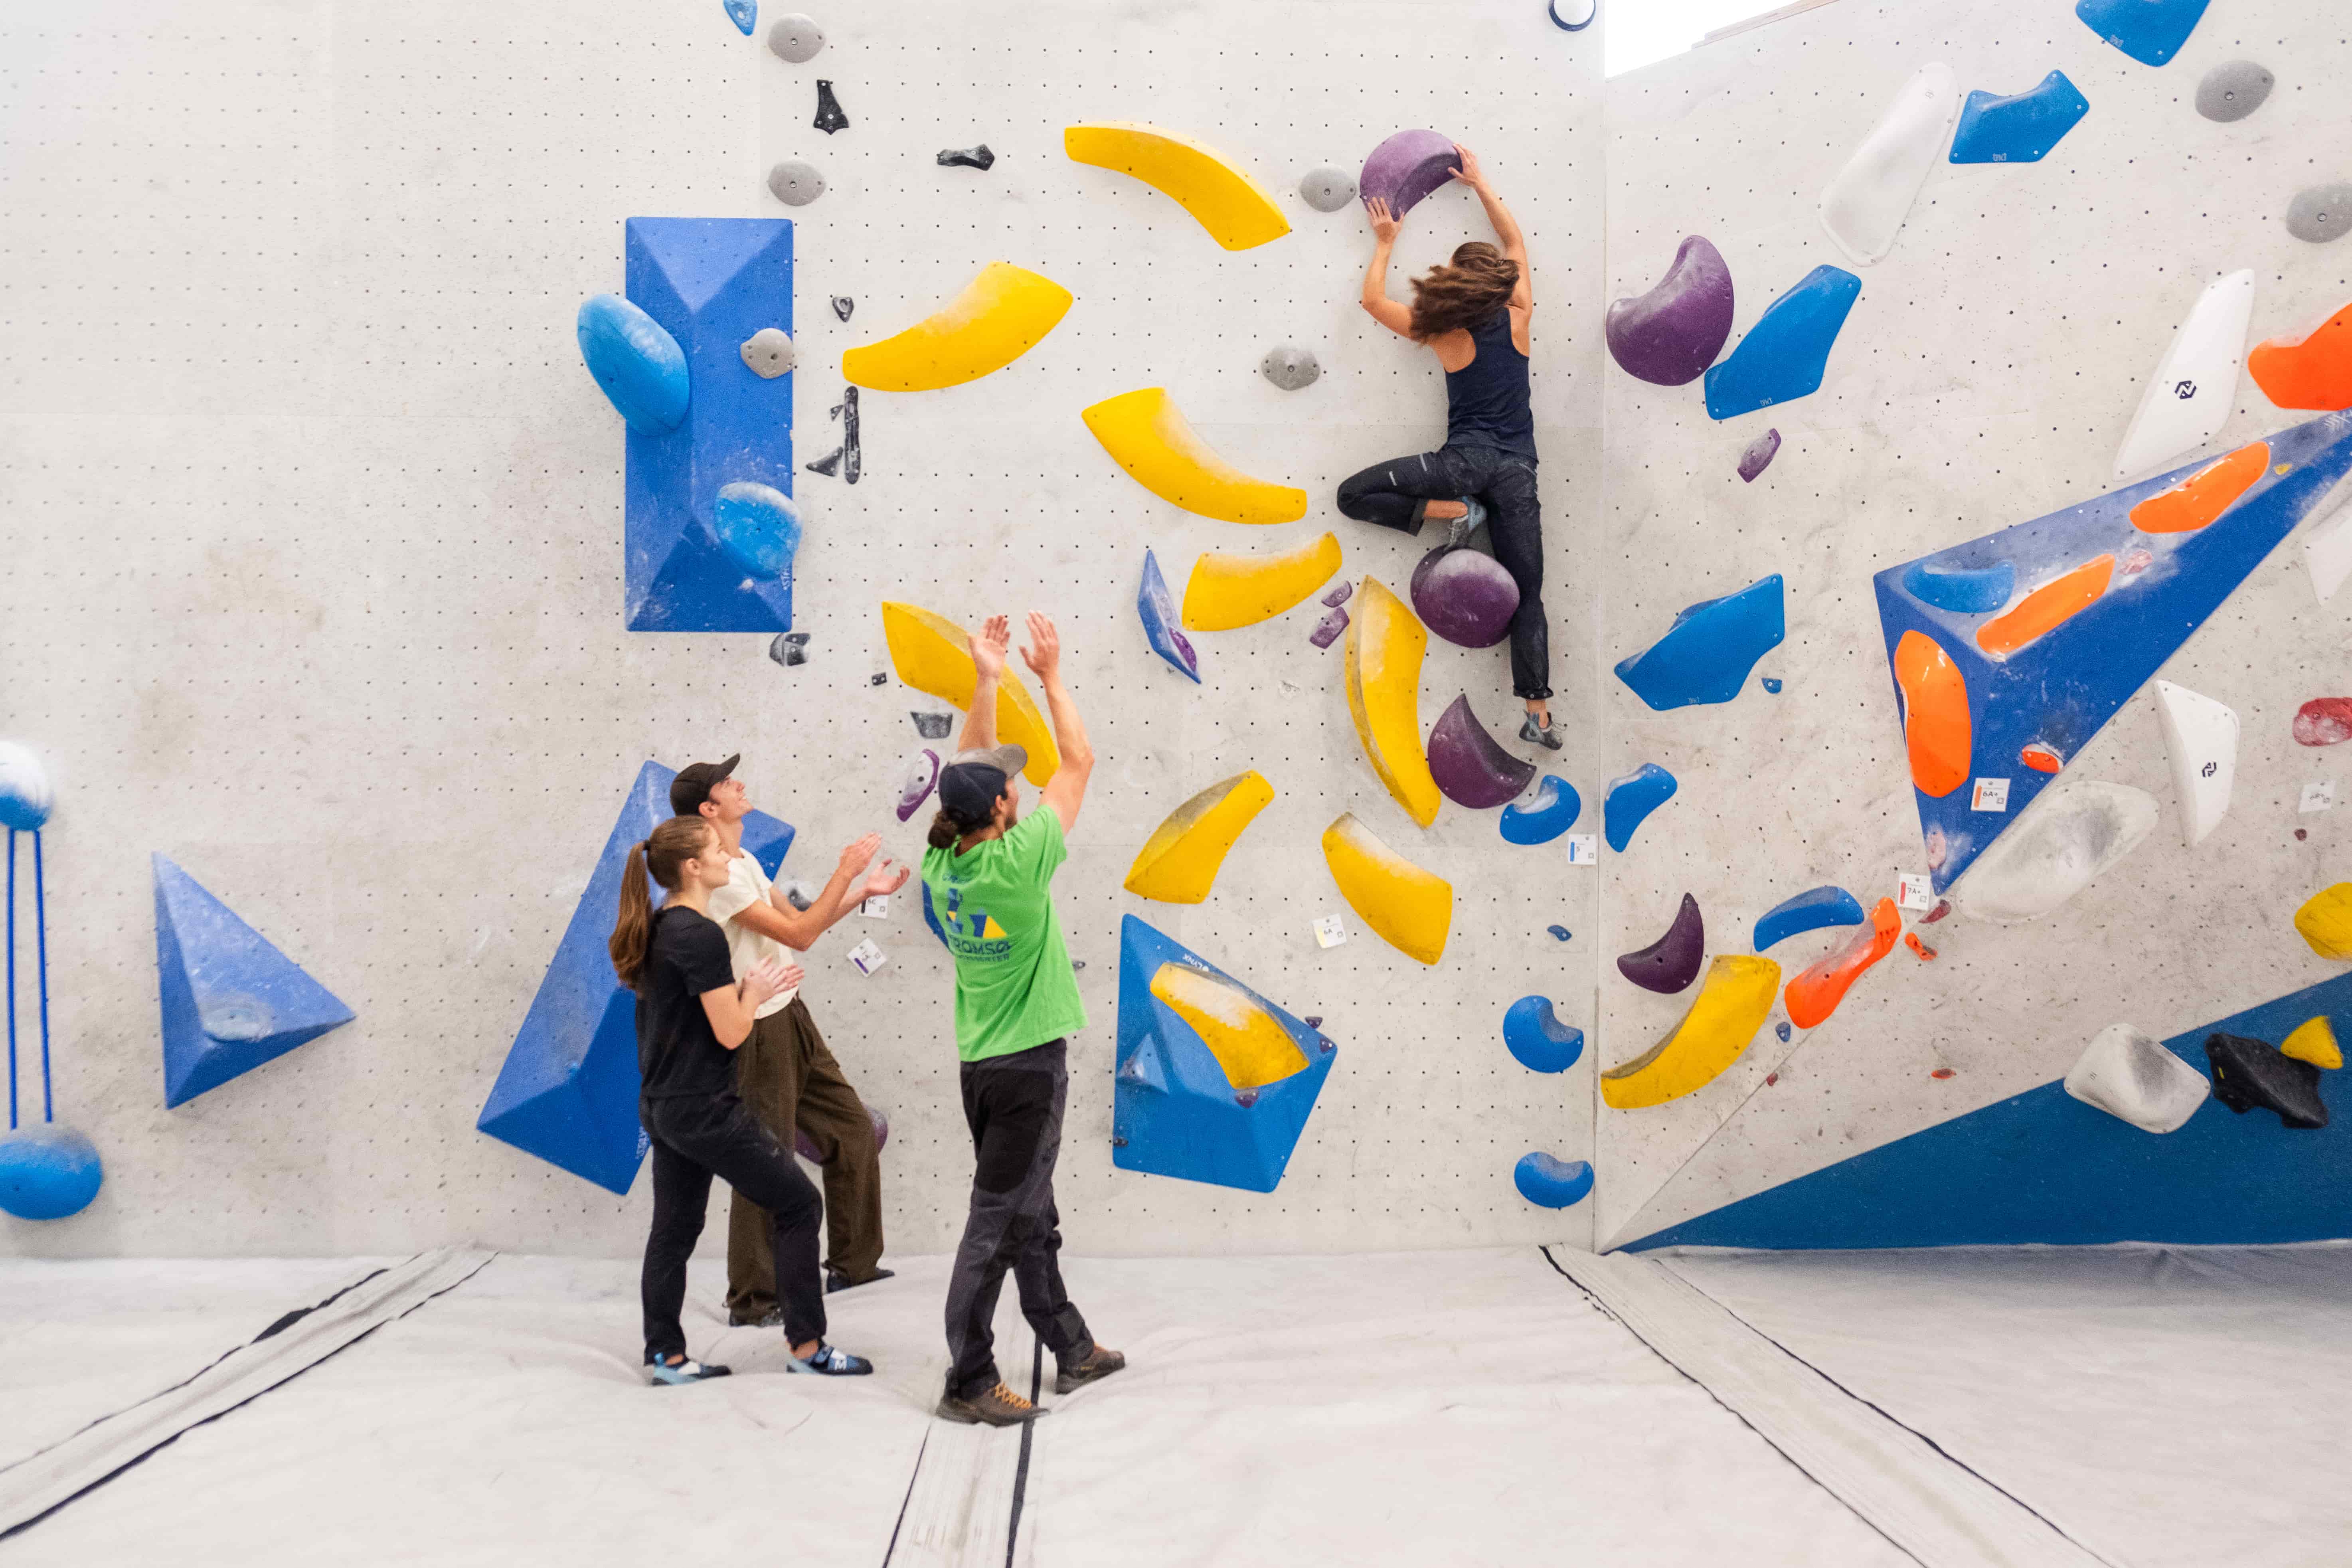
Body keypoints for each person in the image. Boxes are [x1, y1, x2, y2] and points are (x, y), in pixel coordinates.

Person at [918, 613, 1124, 1426]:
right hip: (1029, 1072)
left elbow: (969, 771)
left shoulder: (942, 862)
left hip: (981, 1067)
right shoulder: (1017, 864)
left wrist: (985, 680)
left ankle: (1071, 1348)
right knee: (997, 1227)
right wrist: (1049, 677)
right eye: (1009, 787)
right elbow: (1079, 761)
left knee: (1032, 1212)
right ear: (1005, 808)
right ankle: (968, 1379)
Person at [612, 813, 873, 1385]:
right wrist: (753, 992)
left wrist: (743, 991)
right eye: (717, 851)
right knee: (799, 1205)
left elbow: (688, 1017)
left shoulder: (661, 925)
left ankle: (666, 1358)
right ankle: (808, 1347)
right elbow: (731, 1032)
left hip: (662, 1105)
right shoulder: (701, 935)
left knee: (673, 1232)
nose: (728, 857)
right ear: (692, 867)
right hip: (704, 1109)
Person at [1335, 144, 1560, 750]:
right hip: (1518, 471)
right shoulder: (1520, 316)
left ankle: (1456, 510)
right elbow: (1515, 243)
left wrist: (1386, 242)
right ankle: (1538, 714)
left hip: (1462, 463)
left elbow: (1372, 302)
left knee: (1352, 495)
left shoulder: (1444, 331)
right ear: (1498, 282)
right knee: (1527, 595)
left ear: (1457, 283)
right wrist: (1481, 183)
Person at [671, 756, 908, 1321]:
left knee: (851, 1130)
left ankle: (853, 1264)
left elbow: (804, 922)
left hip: (790, 1013)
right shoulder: (720, 878)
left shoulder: (744, 860)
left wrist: (861, 891)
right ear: (709, 807)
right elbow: (799, 936)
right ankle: (753, 1299)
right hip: (755, 1028)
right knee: (767, 1157)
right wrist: (844, 871)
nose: (740, 784)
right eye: (728, 783)